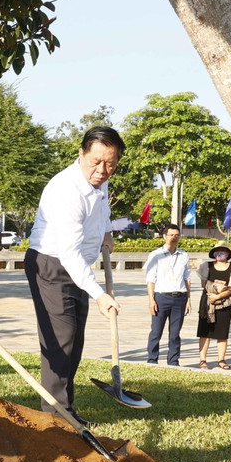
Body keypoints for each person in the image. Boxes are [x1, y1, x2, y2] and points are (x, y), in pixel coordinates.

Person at [24, 126, 124, 425]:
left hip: (77, 268)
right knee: (61, 340)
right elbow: (68, 253)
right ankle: (56, 417)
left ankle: (65, 409)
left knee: (74, 340)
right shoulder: (66, 190)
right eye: (96, 162)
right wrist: (99, 294)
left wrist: (106, 233)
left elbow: (102, 210)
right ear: (81, 153)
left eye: (111, 164)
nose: (102, 170)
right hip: (52, 265)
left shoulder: (100, 180)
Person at [145, 224, 191, 366]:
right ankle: (152, 360)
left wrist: (188, 300)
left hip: (180, 298)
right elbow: (150, 279)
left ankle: (173, 361)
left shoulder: (184, 255)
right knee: (156, 332)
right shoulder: (155, 255)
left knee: (175, 333)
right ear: (164, 236)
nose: (174, 238)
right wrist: (151, 300)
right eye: (171, 235)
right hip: (161, 297)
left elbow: (187, 278)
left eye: (177, 235)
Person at [196, 245, 231, 370]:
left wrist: (219, 296)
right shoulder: (206, 266)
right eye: (217, 251)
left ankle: (221, 360)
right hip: (207, 301)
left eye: (224, 251)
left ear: (228, 254)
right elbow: (203, 284)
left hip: (224, 302)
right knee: (205, 331)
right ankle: (202, 360)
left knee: (222, 332)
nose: (220, 254)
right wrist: (215, 290)